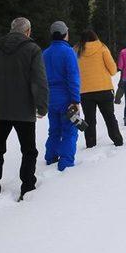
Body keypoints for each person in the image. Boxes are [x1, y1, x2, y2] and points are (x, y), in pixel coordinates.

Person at [0, 17, 49, 200]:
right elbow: (39, 81)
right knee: (28, 150)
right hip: (23, 109)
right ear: (28, 31)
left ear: (11, 30)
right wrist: (42, 106)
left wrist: (1, 83)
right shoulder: (32, 50)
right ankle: (27, 185)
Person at [75, 30, 123, 148]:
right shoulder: (102, 48)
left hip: (85, 91)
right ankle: (117, 140)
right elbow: (113, 70)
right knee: (109, 117)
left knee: (89, 119)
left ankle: (90, 144)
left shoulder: (76, 51)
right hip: (104, 89)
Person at [43, 21, 81, 171]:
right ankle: (65, 162)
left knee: (54, 129)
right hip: (66, 98)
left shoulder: (44, 53)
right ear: (65, 34)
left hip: (50, 98)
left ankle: (50, 156)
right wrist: (75, 100)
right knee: (70, 130)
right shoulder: (68, 52)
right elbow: (73, 77)